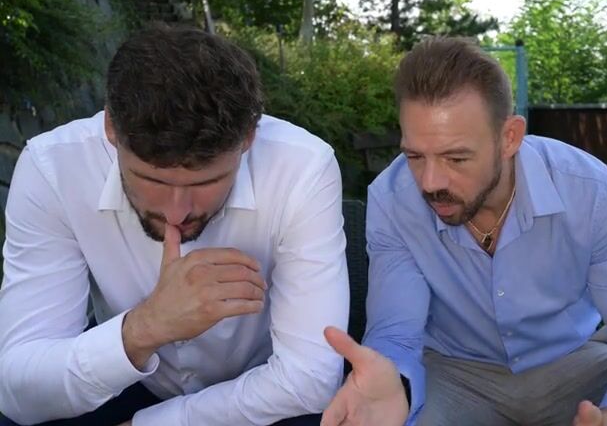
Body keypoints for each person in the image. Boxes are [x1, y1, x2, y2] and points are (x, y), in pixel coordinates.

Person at [320, 37, 607, 426]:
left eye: (456, 159)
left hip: (573, 364)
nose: (429, 182)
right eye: (415, 156)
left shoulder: (589, 190)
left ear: (509, 137)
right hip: (452, 374)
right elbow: (397, 332)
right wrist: (398, 384)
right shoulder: (393, 198)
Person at [0, 26, 349, 426]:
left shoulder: (302, 168)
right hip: (126, 379)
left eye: (205, 182)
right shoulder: (53, 169)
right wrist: (145, 327)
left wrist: (151, 424)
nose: (177, 213)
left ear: (248, 138)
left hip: (260, 389)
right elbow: (15, 387)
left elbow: (309, 380)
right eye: (153, 180)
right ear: (111, 128)